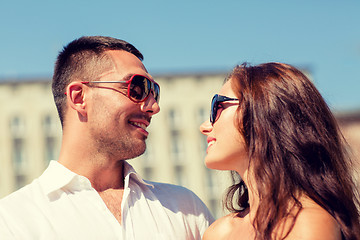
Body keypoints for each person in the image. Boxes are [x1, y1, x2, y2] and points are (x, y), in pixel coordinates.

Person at [0, 36, 214, 239]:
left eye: (154, 92)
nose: (154, 107)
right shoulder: (13, 221)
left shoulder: (185, 209)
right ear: (79, 97)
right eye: (138, 88)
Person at [200, 62, 360, 240]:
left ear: (263, 112)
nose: (205, 126)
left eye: (218, 106)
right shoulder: (217, 232)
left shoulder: (306, 223)